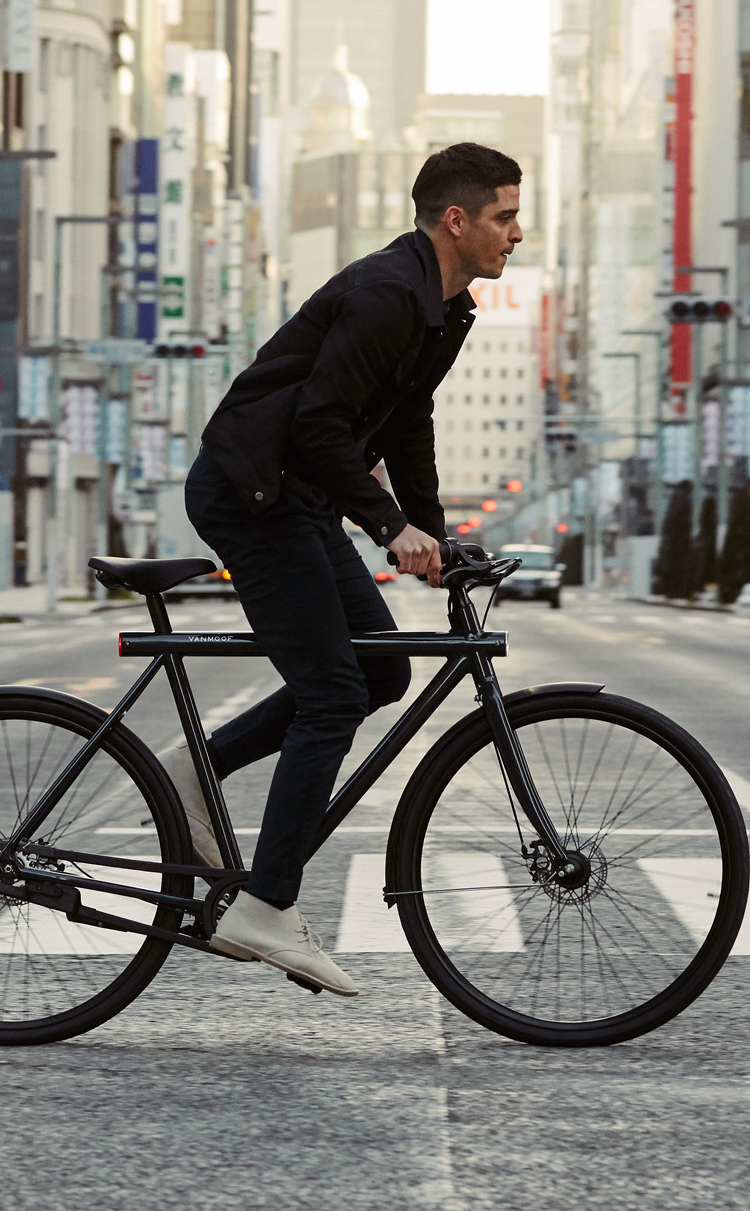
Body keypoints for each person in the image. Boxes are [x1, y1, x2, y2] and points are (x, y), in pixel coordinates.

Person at [173, 141, 523, 997]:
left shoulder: (443, 307)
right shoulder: (384, 295)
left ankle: (194, 770)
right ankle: (265, 905)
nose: (517, 234)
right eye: (504, 216)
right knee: (332, 692)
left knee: (381, 672)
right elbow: (321, 428)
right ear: (456, 219)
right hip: (250, 491)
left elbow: (407, 428)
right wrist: (388, 525)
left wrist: (434, 537)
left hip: (298, 496)